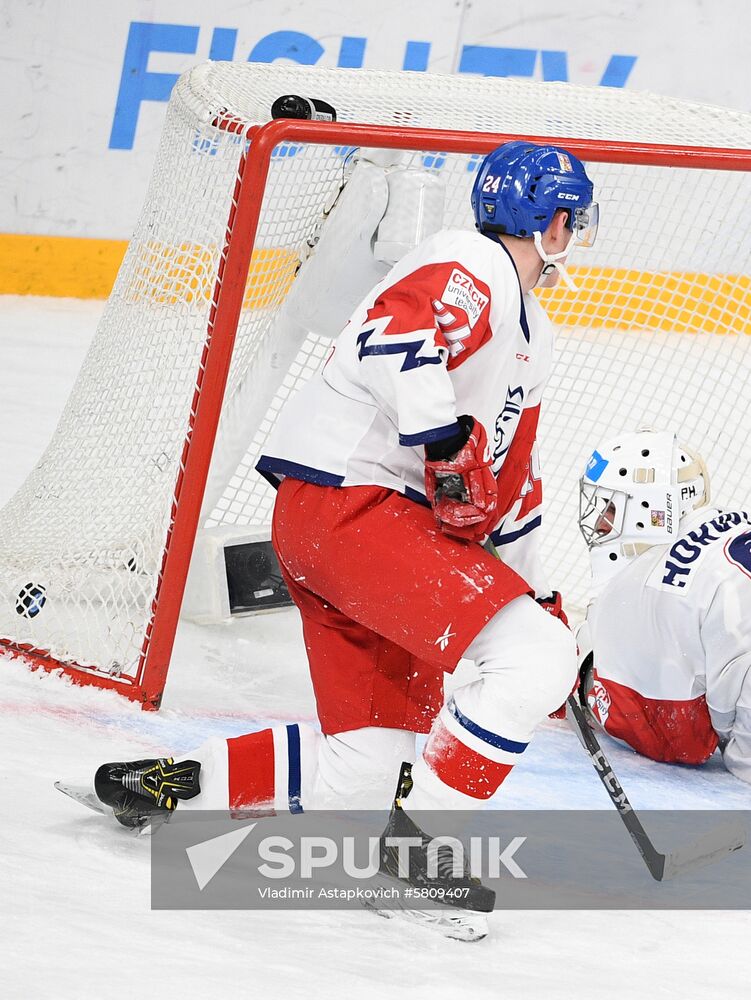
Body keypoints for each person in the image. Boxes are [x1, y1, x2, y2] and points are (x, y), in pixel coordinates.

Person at [95, 141, 597, 895]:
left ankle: (179, 781)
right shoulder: (473, 261)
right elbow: (391, 338)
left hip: (348, 531)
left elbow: (507, 483)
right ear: (555, 224)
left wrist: (531, 594)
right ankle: (420, 859)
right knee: (535, 658)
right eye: (572, 219)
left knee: (371, 769)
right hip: (355, 508)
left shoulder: (531, 333)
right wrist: (442, 434)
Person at [575, 426, 751, 783]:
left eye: (609, 505)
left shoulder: (653, 589)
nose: (599, 522)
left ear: (652, 508)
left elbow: (681, 740)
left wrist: (580, 668)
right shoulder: (729, 525)